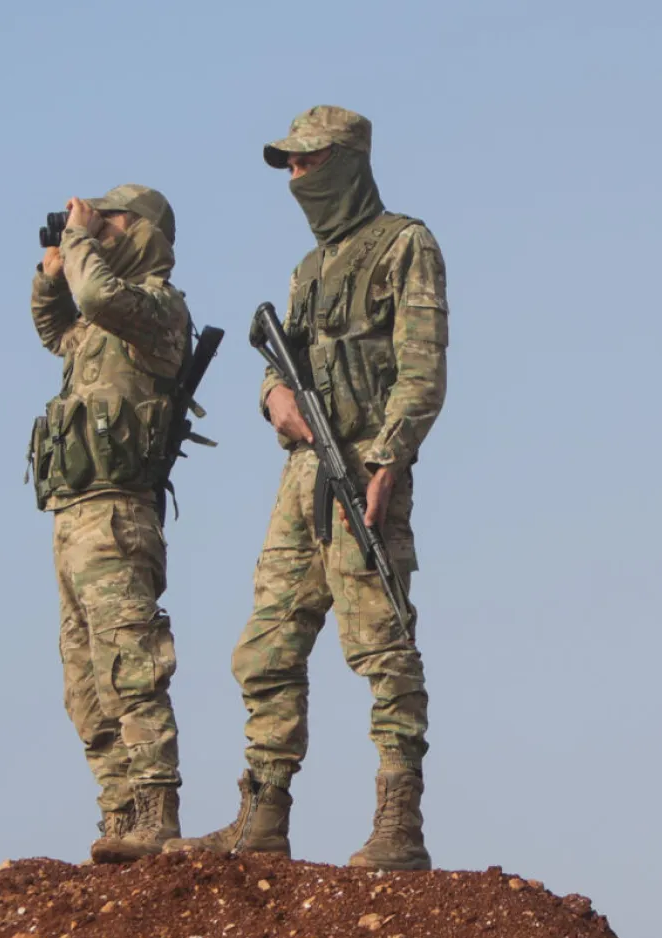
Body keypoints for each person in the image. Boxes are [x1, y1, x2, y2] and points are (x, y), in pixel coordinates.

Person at [168, 106, 449, 870]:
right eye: (288, 165)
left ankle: (400, 821)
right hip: (302, 474)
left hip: (362, 467)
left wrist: (387, 462)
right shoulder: (308, 270)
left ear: (347, 163)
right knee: (265, 644)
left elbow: (422, 374)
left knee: (381, 639)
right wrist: (273, 401)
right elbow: (280, 361)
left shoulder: (405, 246)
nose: (296, 178)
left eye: (308, 163)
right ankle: (262, 813)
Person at [28, 184, 192, 864]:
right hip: (73, 518)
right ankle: (119, 814)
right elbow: (56, 328)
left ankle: (156, 811)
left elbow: (97, 296)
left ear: (146, 231)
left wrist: (80, 242)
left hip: (120, 516)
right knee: (86, 684)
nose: (95, 228)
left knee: (130, 666)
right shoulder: (99, 327)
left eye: (111, 220)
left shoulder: (155, 308)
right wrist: (50, 276)